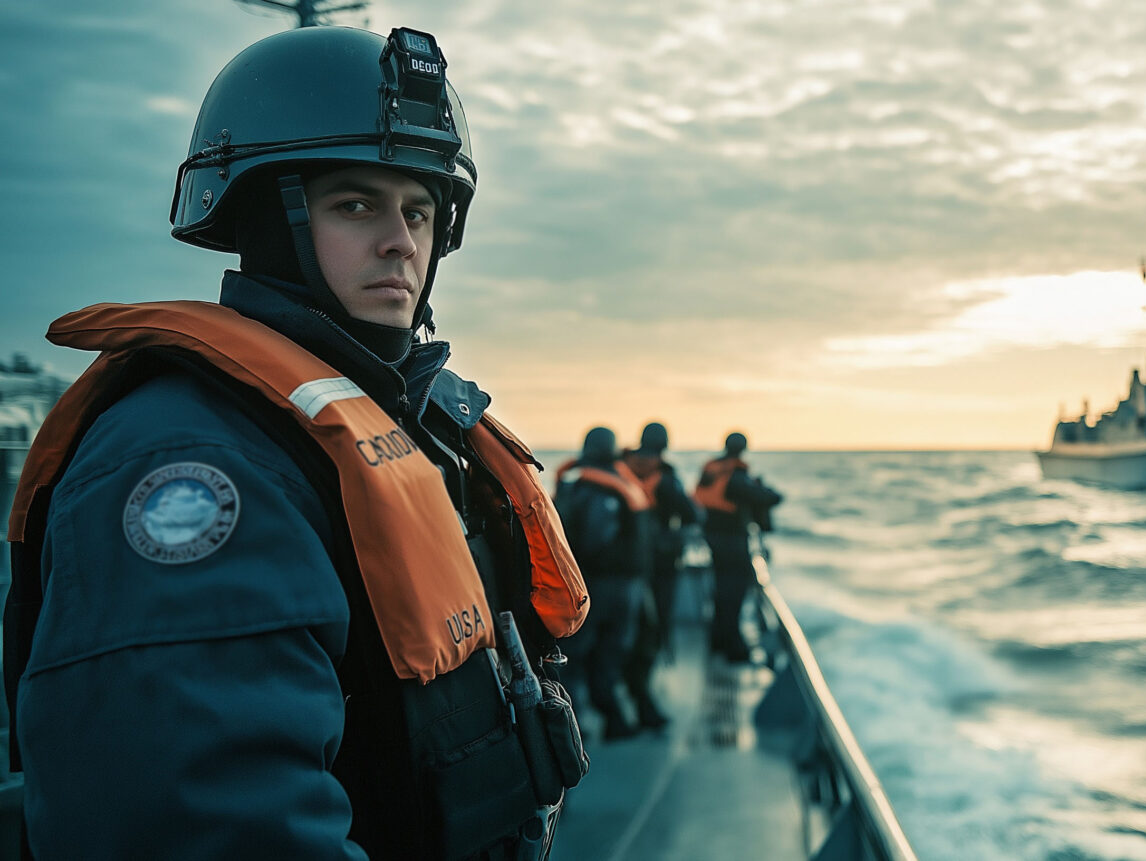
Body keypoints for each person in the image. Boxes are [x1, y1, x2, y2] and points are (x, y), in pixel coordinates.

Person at [3, 26, 590, 861]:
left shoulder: (405, 427)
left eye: (419, 209)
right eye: (357, 204)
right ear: (265, 218)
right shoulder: (193, 457)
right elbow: (206, 825)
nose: (402, 242)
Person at [554, 427, 651, 740]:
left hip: (589, 587)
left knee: (578, 656)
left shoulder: (578, 488)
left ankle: (577, 727)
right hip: (615, 589)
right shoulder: (613, 488)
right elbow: (599, 540)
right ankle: (608, 721)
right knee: (608, 652)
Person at [619, 421, 700, 728]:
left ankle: (621, 686)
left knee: (624, 631)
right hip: (660, 569)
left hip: (622, 570)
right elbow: (694, 514)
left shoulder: (621, 467)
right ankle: (643, 698)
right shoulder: (666, 479)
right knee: (651, 632)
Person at [693, 431, 783, 663]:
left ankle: (718, 641)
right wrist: (772, 493)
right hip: (732, 542)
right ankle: (732, 648)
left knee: (722, 592)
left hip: (713, 538)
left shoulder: (713, 468)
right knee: (733, 595)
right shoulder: (736, 475)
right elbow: (763, 498)